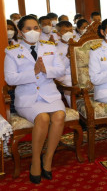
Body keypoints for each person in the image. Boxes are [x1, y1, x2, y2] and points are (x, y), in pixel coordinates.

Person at [4, 15, 66, 184]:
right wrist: (34, 72)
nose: (33, 32)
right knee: (43, 117)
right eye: (28, 29)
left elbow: (60, 70)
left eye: (36, 28)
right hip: (27, 98)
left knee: (59, 115)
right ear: (20, 32)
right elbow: (10, 79)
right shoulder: (12, 52)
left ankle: (48, 158)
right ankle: (36, 161)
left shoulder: (50, 47)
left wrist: (46, 70)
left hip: (50, 93)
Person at [55, 21, 75, 106]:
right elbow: (59, 68)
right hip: (65, 75)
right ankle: (75, 110)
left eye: (70, 30)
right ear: (59, 33)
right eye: (65, 31)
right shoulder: (55, 47)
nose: (68, 33)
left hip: (81, 73)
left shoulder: (78, 43)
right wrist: (67, 56)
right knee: (70, 86)